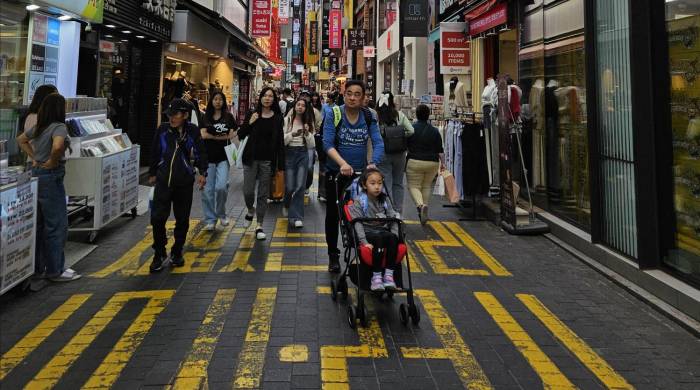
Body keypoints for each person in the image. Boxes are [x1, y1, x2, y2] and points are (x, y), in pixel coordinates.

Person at [16, 92, 81, 282]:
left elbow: (20, 140)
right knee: (56, 225)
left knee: (38, 224)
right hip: (51, 178)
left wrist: (35, 157)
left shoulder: (40, 127)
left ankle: (38, 268)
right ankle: (55, 270)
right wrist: (52, 161)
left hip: (35, 176)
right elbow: (58, 146)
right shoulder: (59, 127)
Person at [323, 79, 384, 272]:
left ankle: (362, 252)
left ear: (363, 98)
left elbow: (378, 142)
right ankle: (333, 255)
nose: (352, 97)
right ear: (344, 94)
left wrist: (373, 163)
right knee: (334, 216)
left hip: (360, 176)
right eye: (349, 93)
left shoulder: (368, 115)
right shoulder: (334, 113)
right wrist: (342, 164)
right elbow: (327, 143)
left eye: (357, 94)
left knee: (361, 215)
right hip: (337, 174)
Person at [148, 98, 208, 272]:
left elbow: (200, 152)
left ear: (185, 115)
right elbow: (155, 151)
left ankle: (177, 251)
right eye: (170, 115)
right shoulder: (163, 130)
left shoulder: (192, 131)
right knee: (158, 218)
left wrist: (203, 172)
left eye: (175, 115)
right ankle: (159, 252)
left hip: (184, 182)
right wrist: (152, 173)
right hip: (163, 181)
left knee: (182, 219)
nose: (172, 118)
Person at [238, 87, 285, 240]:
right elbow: (241, 135)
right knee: (248, 191)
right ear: (261, 98)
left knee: (263, 194)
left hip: (267, 160)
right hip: (251, 158)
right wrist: (250, 123)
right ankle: (250, 210)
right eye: (265, 95)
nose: (267, 98)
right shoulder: (253, 114)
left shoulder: (278, 118)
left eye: (271, 96)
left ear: (274, 99)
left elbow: (280, 142)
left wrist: (280, 164)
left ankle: (259, 225)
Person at [347, 168, 400, 291]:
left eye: (380, 183)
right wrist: (364, 242)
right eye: (373, 183)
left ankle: (389, 275)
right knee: (378, 238)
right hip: (368, 232)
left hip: (383, 231)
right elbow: (358, 224)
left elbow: (392, 217)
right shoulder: (359, 201)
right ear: (364, 185)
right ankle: (376, 277)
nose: (377, 187)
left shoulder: (385, 199)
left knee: (392, 238)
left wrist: (396, 235)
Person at [200, 92, 238, 231]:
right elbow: (203, 134)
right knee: (208, 190)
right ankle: (210, 219)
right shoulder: (205, 116)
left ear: (223, 102)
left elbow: (233, 134)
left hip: (223, 157)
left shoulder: (229, 117)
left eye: (220, 99)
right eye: (215, 99)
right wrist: (220, 137)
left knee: (221, 187)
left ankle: (221, 214)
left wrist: (213, 136)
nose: (218, 102)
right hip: (208, 158)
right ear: (211, 101)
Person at [375, 91, 414, 215]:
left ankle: (388, 212)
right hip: (399, 153)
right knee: (398, 183)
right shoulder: (399, 115)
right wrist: (401, 135)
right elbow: (411, 130)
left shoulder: (376, 116)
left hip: (383, 153)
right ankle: (398, 212)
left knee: (386, 183)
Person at [406, 104, 445, 225]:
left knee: (414, 186)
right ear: (428, 115)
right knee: (427, 186)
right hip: (432, 162)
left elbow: (405, 146)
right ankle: (425, 213)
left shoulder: (411, 129)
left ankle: (420, 206)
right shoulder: (435, 131)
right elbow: (440, 150)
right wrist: (442, 164)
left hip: (414, 161)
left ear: (416, 115)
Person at [282, 97, 316, 227]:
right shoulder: (287, 121)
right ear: (294, 106)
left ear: (306, 109)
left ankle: (296, 217)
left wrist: (307, 133)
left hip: (302, 154)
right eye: (298, 104)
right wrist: (293, 135)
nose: (300, 107)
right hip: (289, 153)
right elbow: (282, 141)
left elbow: (312, 144)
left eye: (303, 105)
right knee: (290, 187)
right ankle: (286, 203)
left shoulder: (308, 123)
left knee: (300, 186)